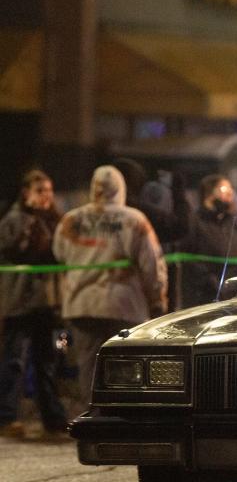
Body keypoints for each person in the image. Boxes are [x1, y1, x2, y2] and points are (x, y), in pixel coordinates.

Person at [53, 166, 168, 409]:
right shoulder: (134, 220)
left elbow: (59, 254)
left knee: (88, 366)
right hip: (123, 305)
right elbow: (151, 265)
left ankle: (92, 414)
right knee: (126, 367)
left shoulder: (71, 220)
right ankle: (121, 418)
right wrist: (158, 300)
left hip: (81, 304)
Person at [0, 170, 68, 438]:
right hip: (20, 301)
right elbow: (13, 250)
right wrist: (31, 223)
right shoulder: (14, 220)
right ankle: (7, 417)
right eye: (41, 191)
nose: (47, 196)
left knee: (47, 360)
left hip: (47, 302)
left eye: (49, 190)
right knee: (15, 360)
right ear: (26, 192)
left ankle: (53, 418)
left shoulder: (55, 221)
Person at [179, 175, 237, 309]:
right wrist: (213, 284)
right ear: (209, 193)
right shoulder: (195, 222)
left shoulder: (233, 224)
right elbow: (190, 259)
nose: (230, 193)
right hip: (203, 298)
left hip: (233, 298)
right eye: (224, 189)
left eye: (231, 189)